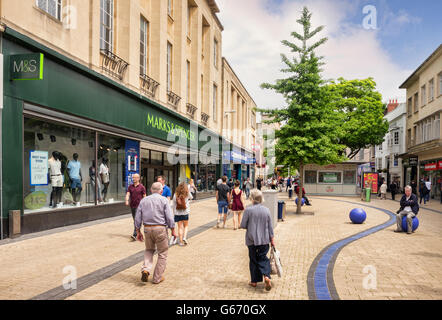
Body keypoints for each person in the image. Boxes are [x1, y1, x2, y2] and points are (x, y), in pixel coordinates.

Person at [134, 182, 176, 284]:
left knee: (149, 250)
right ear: (161, 191)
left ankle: (146, 269)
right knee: (162, 253)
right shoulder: (164, 200)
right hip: (160, 228)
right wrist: (173, 230)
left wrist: (138, 231)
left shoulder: (144, 200)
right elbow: (169, 217)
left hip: (147, 229)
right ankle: (157, 278)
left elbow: (138, 216)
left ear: (151, 190)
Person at [240, 189, 275, 291]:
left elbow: (243, 225)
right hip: (264, 239)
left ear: (252, 198)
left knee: (253, 259)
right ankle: (266, 276)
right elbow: (270, 227)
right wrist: (272, 239)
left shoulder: (248, 210)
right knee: (263, 258)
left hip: (251, 240)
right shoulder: (266, 210)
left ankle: (254, 281)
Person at [126, 174, 146, 241]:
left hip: (139, 206)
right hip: (132, 205)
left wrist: (145, 204)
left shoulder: (142, 187)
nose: (133, 179)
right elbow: (128, 194)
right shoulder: (130, 187)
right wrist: (126, 200)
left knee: (137, 220)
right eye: (133, 177)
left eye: (135, 177)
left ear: (138, 178)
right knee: (135, 220)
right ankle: (138, 233)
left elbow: (144, 196)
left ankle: (135, 234)